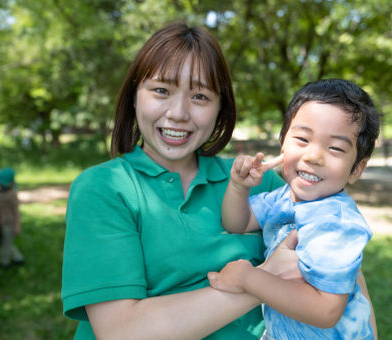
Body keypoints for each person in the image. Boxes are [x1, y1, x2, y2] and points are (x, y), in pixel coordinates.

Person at [61, 23, 375, 339]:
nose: (179, 113)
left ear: (220, 108)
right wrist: (266, 277)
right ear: (133, 96)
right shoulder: (105, 188)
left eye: (200, 96)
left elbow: (349, 281)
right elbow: (121, 332)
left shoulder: (259, 182)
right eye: (161, 90)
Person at [208, 79, 380, 339]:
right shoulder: (282, 198)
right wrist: (238, 187)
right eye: (302, 139)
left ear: (356, 168)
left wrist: (248, 279)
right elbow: (237, 223)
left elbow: (326, 311)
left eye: (334, 148)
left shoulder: (337, 223)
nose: (313, 156)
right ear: (282, 145)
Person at [0, 167, 25, 267]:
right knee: (6, 242)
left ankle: (4, 262)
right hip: (1, 222)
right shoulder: (1, 191)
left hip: (9, 223)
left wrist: (17, 226)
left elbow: (16, 212)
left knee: (6, 245)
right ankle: (18, 258)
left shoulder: (12, 194)